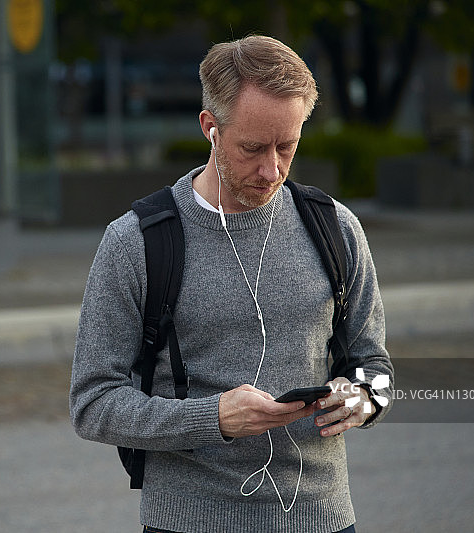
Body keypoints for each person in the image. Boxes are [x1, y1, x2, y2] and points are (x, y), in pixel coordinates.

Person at [70, 35, 393, 533]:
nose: (272, 169)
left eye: (288, 146)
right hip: (188, 521)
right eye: (253, 148)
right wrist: (213, 419)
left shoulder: (337, 228)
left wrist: (365, 399)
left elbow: (376, 367)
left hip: (323, 518)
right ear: (210, 127)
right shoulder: (134, 242)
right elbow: (93, 404)